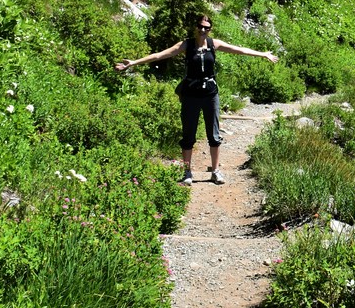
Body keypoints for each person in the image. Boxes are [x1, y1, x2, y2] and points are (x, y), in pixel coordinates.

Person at [115, 13, 278, 184]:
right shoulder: (186, 45)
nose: (202, 30)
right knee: (188, 134)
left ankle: (215, 171)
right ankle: (187, 173)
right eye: (200, 26)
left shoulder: (214, 44)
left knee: (214, 134)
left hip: (210, 95)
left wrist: (263, 54)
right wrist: (133, 62)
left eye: (206, 28)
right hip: (191, 95)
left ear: (210, 30)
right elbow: (159, 55)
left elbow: (240, 50)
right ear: (195, 27)